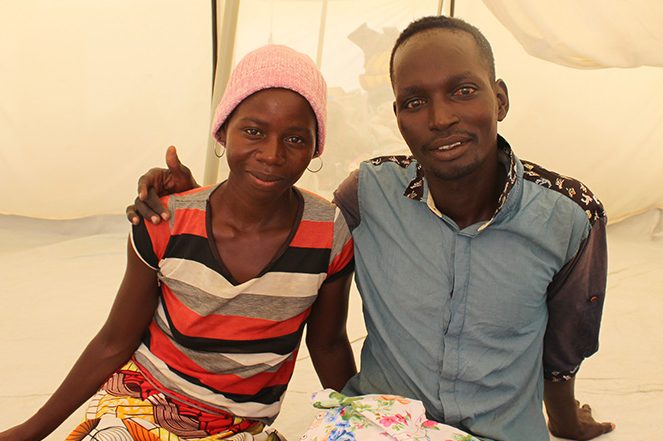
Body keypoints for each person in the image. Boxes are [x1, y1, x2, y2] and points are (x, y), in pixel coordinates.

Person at [127, 16, 614, 441]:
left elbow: (565, 346)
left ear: (500, 99)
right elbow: (284, 219)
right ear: (399, 117)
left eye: (463, 91)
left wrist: (565, 421)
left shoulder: (570, 216)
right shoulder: (369, 195)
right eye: (415, 101)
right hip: (378, 428)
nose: (441, 118)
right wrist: (204, 202)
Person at [0, 44, 356, 441]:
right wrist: (30, 431)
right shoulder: (166, 222)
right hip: (143, 402)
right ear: (222, 132)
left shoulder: (328, 233)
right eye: (253, 131)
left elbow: (328, 346)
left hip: (239, 427)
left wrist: (366, 422)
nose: (272, 155)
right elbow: (114, 341)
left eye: (295, 139)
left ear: (315, 147)